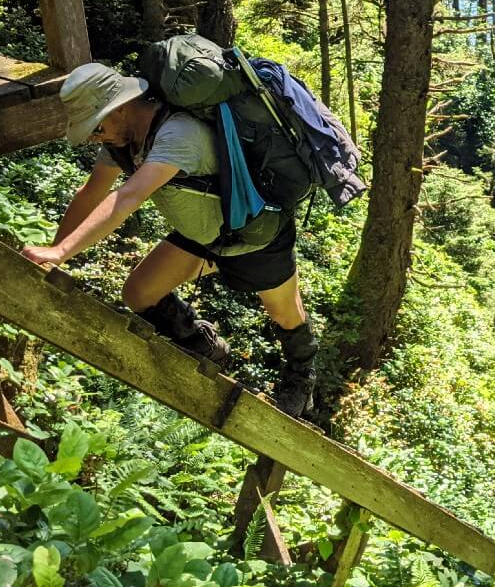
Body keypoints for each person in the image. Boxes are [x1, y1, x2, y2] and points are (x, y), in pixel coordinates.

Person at [21, 62, 318, 417]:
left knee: (285, 314)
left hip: (251, 235)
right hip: (200, 235)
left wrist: (62, 251)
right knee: (139, 293)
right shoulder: (120, 140)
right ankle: (207, 349)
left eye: (96, 126)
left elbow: (126, 198)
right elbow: (92, 192)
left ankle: (303, 378)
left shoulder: (178, 135)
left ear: (121, 107)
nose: (94, 137)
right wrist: (53, 253)